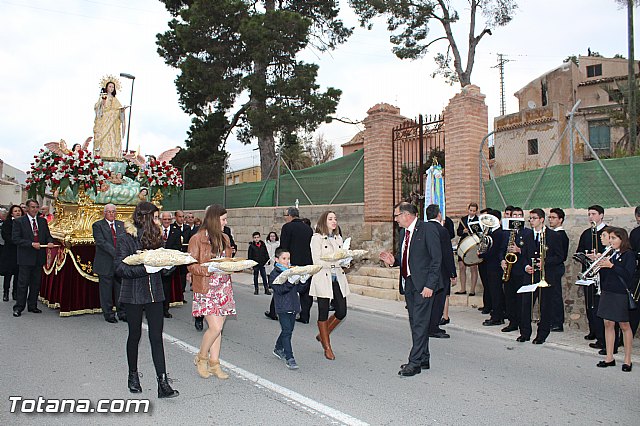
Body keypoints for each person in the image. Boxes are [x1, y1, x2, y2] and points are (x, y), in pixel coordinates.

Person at [115, 202, 178, 398]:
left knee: (156, 337)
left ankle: (162, 382)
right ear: (146, 218)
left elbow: (164, 264)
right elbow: (120, 268)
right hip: (133, 293)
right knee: (135, 335)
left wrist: (170, 265)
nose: (159, 221)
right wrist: (145, 269)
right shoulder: (126, 238)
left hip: (155, 293)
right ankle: (132, 375)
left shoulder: (157, 237)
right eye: (156, 217)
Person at [380, 202, 442, 377]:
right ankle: (424, 358)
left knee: (420, 323)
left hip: (424, 285)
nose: (395, 219)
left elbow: (436, 259)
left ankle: (414, 363)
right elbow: (405, 258)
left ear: (407, 215)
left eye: (396, 215)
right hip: (409, 284)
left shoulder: (427, 229)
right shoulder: (403, 232)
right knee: (416, 322)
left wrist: (430, 285)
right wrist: (394, 261)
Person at [187, 204, 235, 380]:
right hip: (207, 287)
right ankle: (201, 357)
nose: (226, 222)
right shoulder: (197, 239)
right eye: (223, 219)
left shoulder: (225, 237)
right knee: (215, 327)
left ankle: (215, 364)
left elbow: (228, 260)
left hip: (223, 286)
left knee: (218, 329)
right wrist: (209, 269)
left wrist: (231, 266)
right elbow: (191, 265)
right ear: (215, 220)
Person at [516, 208, 564, 345]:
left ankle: (542, 334)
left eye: (534, 218)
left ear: (542, 220)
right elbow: (524, 256)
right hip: (530, 276)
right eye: (530, 218)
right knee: (526, 305)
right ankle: (525, 333)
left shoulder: (553, 236)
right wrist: (526, 266)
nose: (531, 221)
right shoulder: (527, 236)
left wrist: (545, 262)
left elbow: (560, 257)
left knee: (545, 306)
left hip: (546, 276)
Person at [310, 211, 351, 360]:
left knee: (341, 311)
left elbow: (342, 256)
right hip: (323, 277)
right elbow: (316, 261)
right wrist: (335, 261)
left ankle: (323, 334)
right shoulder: (316, 238)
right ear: (324, 221)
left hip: (338, 278)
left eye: (335, 218)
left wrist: (346, 261)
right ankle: (327, 346)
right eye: (330, 219)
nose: (334, 221)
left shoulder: (339, 238)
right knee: (323, 311)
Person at [595, 227, 635, 372]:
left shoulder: (628, 255)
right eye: (610, 238)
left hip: (620, 293)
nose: (610, 241)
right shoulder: (611, 254)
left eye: (613, 238)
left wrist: (611, 265)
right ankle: (609, 357)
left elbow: (628, 274)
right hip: (608, 291)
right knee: (608, 323)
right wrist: (598, 262)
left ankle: (627, 360)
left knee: (624, 325)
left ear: (621, 239)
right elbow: (606, 274)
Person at [266, 207, 313, 322]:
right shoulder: (308, 228)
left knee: (282, 285)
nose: (285, 218)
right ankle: (305, 316)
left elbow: (284, 246)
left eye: (285, 215)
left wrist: (282, 260)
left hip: (291, 262)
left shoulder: (287, 227)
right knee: (305, 290)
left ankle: (274, 312)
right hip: (306, 262)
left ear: (290, 216)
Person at [12, 199, 54, 317]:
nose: (35, 209)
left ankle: (32, 305)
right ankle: (19, 307)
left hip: (39, 257)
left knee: (36, 283)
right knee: (23, 284)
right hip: (25, 258)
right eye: (32, 207)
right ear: (27, 208)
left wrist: (50, 242)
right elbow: (16, 239)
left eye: (37, 207)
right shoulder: (19, 222)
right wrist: (30, 244)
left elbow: (48, 236)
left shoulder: (42, 221)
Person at [270, 248, 310, 370]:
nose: (287, 261)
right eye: (284, 258)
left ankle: (278, 348)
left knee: (288, 330)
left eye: (288, 258)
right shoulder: (274, 274)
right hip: (282, 307)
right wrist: (290, 282)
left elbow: (300, 290)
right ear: (277, 259)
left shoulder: (291, 271)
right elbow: (280, 290)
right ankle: (290, 358)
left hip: (293, 305)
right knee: (287, 332)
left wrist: (303, 281)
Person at [576, 205, 607, 350]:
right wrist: (585, 256)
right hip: (588, 273)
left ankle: (602, 337)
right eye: (589, 214)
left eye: (593, 214)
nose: (590, 217)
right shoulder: (586, 233)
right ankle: (593, 330)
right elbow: (579, 251)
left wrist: (598, 256)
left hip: (602, 275)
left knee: (599, 305)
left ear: (601, 215)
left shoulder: (608, 232)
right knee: (589, 303)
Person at [425, 205, 456, 339]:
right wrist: (453, 274)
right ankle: (433, 328)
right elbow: (447, 254)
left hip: (427, 270)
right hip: (441, 271)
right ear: (439, 215)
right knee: (439, 300)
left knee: (429, 301)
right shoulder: (442, 231)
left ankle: (428, 325)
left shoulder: (423, 229)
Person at [499, 207, 531, 333]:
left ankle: (522, 324)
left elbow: (530, 251)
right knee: (509, 298)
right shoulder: (506, 232)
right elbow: (501, 250)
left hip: (521, 270)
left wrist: (519, 250)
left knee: (521, 299)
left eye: (519, 215)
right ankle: (512, 322)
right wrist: (502, 260)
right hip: (509, 269)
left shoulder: (528, 233)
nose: (517, 217)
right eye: (514, 215)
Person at [92, 204, 126, 323]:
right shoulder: (98, 225)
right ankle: (108, 313)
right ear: (104, 213)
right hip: (105, 262)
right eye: (109, 212)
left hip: (120, 263)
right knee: (106, 290)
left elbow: (125, 240)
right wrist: (117, 253)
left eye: (113, 212)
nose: (111, 214)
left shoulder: (121, 225)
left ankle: (122, 312)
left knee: (120, 289)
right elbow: (101, 242)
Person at [479, 210, 505, 326]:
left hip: (495, 267)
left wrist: (482, 255)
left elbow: (494, 252)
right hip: (490, 266)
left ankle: (497, 317)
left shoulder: (498, 233)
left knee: (496, 292)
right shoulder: (491, 232)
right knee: (493, 292)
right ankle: (496, 315)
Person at [548, 208, 569, 331]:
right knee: (550, 296)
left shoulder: (560, 235)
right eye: (549, 217)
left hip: (555, 268)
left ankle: (557, 322)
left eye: (553, 217)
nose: (550, 220)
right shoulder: (553, 233)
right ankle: (551, 320)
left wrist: (545, 260)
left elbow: (561, 256)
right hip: (551, 268)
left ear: (560, 220)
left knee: (555, 295)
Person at [93, 81, 126, 160]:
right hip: (104, 122)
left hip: (113, 124)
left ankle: (113, 155)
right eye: (110, 86)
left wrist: (122, 111)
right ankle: (102, 154)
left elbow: (119, 110)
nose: (111, 88)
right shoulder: (102, 96)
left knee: (113, 138)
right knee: (103, 138)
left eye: (112, 87)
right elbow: (97, 108)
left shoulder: (115, 100)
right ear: (106, 87)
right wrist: (102, 103)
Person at [159, 211, 181, 318]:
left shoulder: (176, 231)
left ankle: (165, 309)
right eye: (165, 219)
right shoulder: (156, 231)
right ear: (161, 220)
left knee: (166, 287)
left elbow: (178, 247)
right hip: (157, 263)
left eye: (169, 219)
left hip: (169, 264)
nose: (167, 221)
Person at [455, 203, 479, 295]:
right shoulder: (463, 220)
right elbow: (458, 232)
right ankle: (463, 289)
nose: (472, 212)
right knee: (461, 267)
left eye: (474, 211)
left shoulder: (478, 220)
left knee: (473, 267)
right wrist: (463, 231)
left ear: (476, 211)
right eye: (470, 210)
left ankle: (472, 290)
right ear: (468, 210)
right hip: (463, 244)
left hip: (473, 245)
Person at [2, 205, 22, 302]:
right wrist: (16, 242)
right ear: (11, 213)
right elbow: (5, 235)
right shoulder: (7, 222)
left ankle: (15, 293)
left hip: (20, 251)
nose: (18, 212)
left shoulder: (23, 222)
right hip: (10, 251)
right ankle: (6, 292)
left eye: (19, 211)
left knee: (18, 274)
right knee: (8, 273)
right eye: (15, 211)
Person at [628, 206, 640, 337]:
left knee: (635, 305)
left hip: (638, 275)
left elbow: (632, 253)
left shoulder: (635, 233)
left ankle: (627, 337)